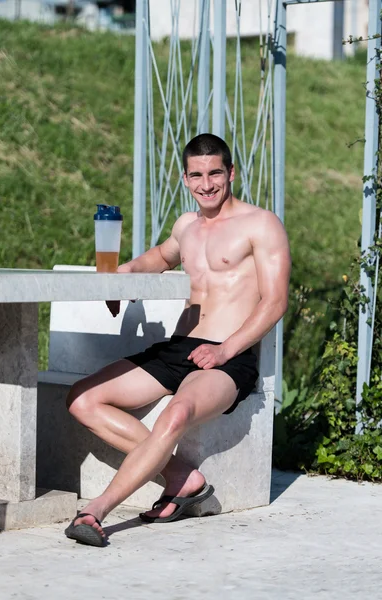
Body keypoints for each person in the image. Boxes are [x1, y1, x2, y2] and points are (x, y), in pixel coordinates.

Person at [64, 133, 291, 547]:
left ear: (231, 173)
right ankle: (181, 478)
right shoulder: (187, 226)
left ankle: (96, 510)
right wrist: (125, 276)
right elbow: (159, 257)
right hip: (178, 349)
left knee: (175, 414)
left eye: (215, 173)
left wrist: (227, 348)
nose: (207, 184)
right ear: (185, 179)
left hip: (227, 356)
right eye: (197, 175)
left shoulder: (261, 224)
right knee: (82, 398)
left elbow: (275, 302)